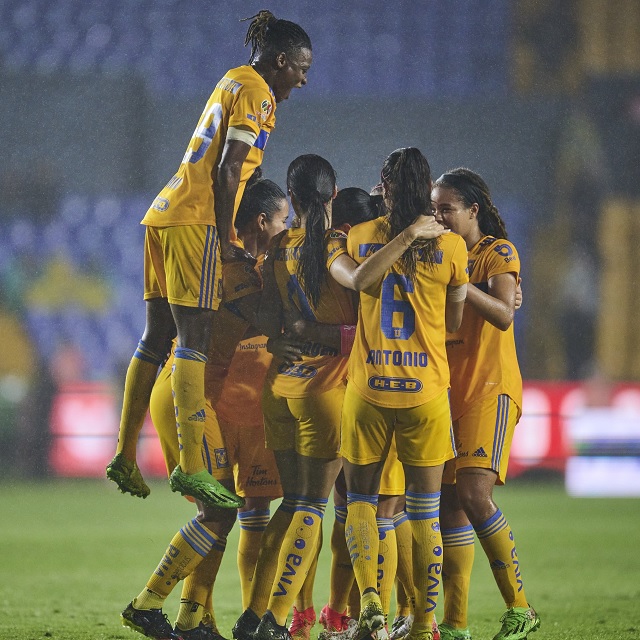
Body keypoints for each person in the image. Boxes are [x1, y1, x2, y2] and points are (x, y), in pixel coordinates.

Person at [233, 155, 448, 640]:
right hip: (327, 390)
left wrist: (279, 337)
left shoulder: (280, 247)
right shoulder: (334, 245)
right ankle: (280, 617)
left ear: (293, 196)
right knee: (321, 506)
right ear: (333, 198)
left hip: (281, 387)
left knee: (292, 504)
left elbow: (268, 317)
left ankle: (254, 610)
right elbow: (358, 285)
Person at [106, 9, 312, 508]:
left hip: (164, 212)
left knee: (156, 334)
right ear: (280, 60)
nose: (302, 81)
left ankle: (124, 454)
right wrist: (226, 240)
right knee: (192, 336)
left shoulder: (231, 80)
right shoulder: (258, 93)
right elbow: (228, 169)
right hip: (196, 219)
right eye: (300, 69)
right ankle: (192, 467)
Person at [120, 178, 291, 640]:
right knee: (219, 511)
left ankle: (192, 617)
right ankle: (148, 602)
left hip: (195, 386)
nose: (286, 230)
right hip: (192, 391)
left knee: (219, 511)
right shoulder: (237, 269)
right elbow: (279, 324)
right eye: (283, 222)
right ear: (262, 222)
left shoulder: (218, 254)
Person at [334, 147, 469, 640]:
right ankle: (423, 625)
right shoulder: (453, 247)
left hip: (369, 389)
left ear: (384, 187)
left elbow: (362, 287)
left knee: (361, 502)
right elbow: (454, 322)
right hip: (426, 393)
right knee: (423, 512)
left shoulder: (361, 235)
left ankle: (370, 600)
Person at [431, 168, 540, 640]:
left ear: (473, 210)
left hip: (489, 390)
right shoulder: (440, 251)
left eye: (447, 208)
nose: (439, 216)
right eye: (435, 207)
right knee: (448, 508)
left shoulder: (497, 252)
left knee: (475, 495)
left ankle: (521, 607)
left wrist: (462, 286)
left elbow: (503, 314)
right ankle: (455, 624)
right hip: (447, 393)